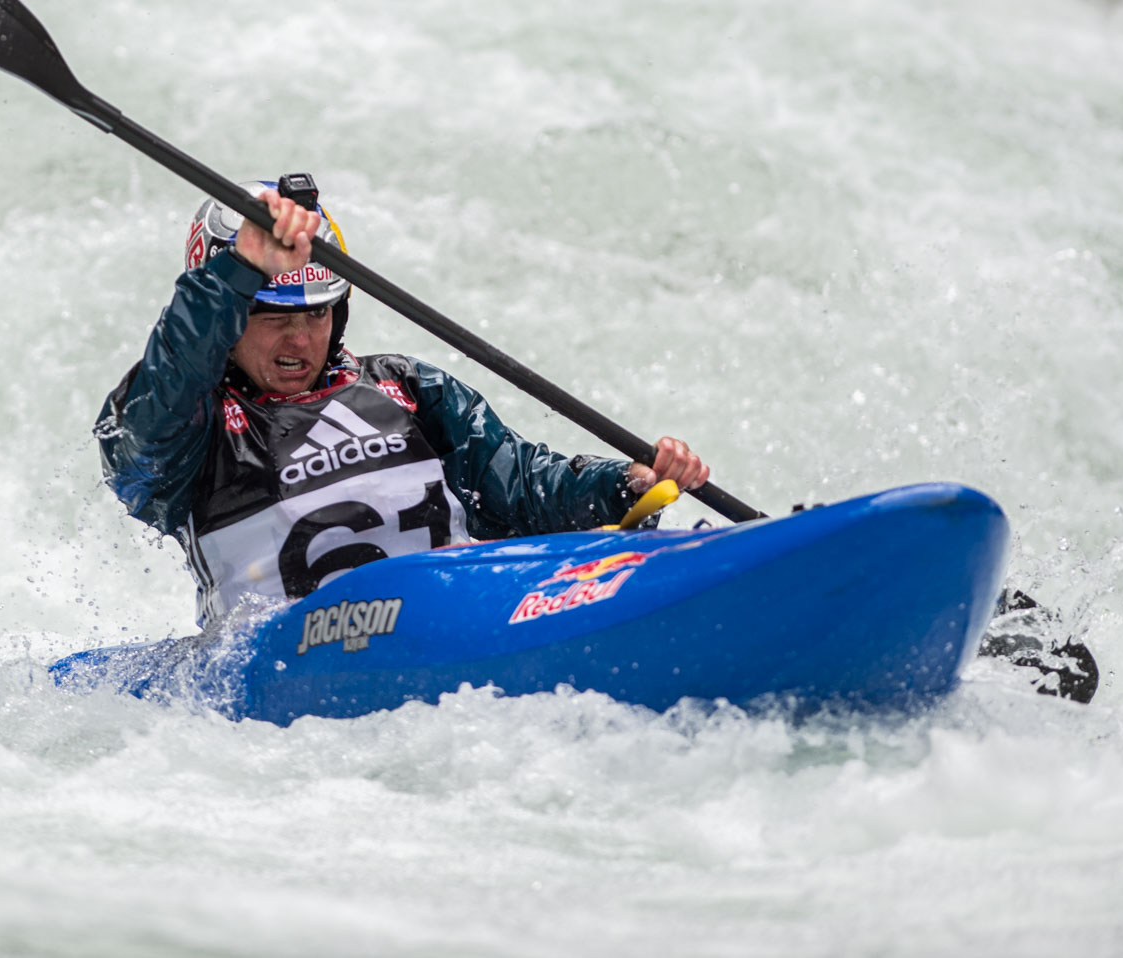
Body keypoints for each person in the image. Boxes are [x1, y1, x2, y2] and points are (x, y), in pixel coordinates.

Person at [96, 173, 710, 626]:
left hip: (465, 615)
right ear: (228, 318)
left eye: (317, 314)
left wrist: (624, 484)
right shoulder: (184, 430)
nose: (299, 337)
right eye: (271, 315)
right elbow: (157, 416)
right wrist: (237, 274)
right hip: (291, 659)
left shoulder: (409, 387)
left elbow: (523, 490)